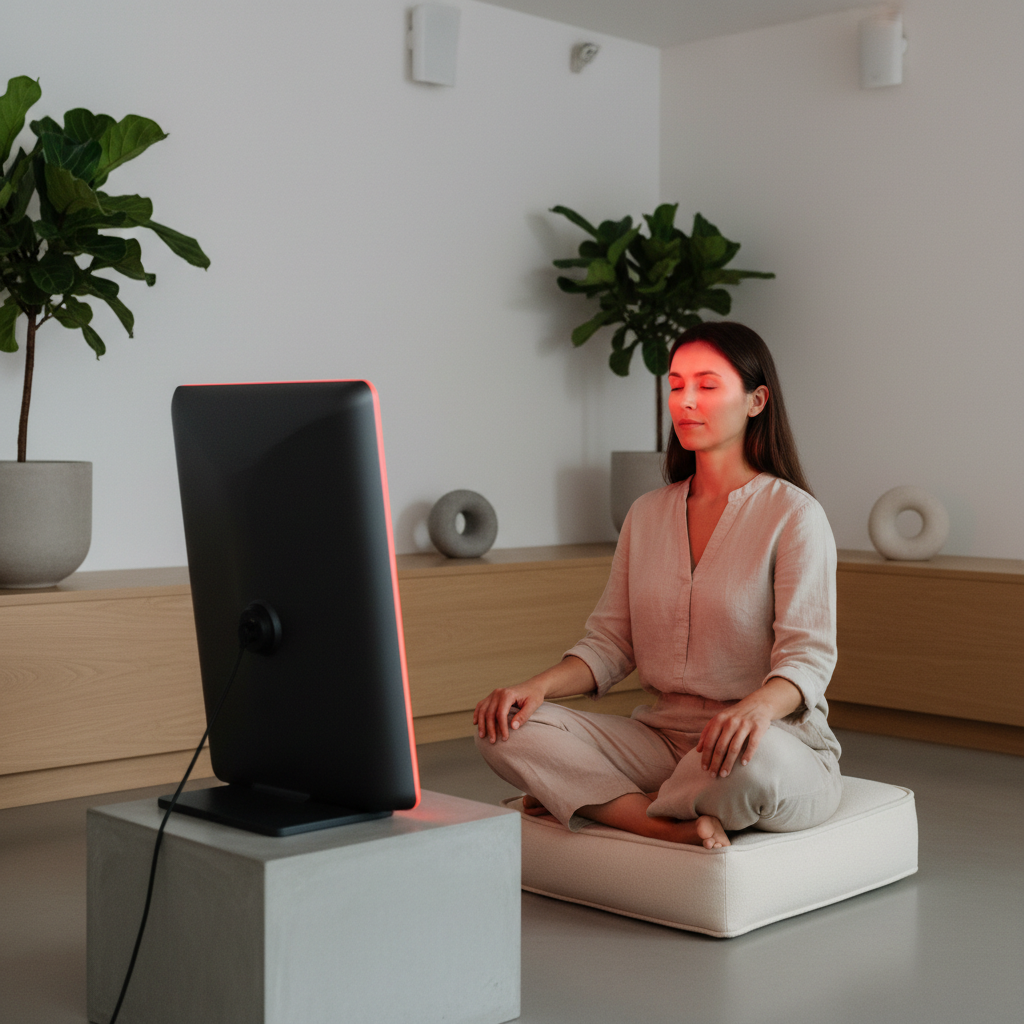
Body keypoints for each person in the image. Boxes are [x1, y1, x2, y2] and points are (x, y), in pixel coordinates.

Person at [474, 321, 842, 849]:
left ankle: (594, 799)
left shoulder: (795, 516)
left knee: (755, 768)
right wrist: (535, 688)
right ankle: (652, 820)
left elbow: (807, 661)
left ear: (756, 401)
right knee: (505, 730)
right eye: (676, 385)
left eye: (707, 386)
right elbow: (610, 643)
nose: (686, 400)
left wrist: (753, 710)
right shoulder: (646, 514)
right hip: (658, 741)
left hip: (770, 741)